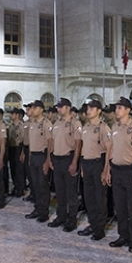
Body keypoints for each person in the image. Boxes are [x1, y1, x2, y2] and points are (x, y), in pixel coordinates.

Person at [105, 97, 132, 253]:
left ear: (128, 110)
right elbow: (111, 150)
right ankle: (123, 235)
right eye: (116, 108)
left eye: (120, 108)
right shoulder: (114, 127)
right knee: (120, 206)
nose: (117, 110)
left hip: (131, 171)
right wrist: (108, 170)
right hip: (117, 170)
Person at [77, 99, 112, 241]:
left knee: (99, 198)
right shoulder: (85, 127)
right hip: (87, 163)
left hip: (99, 163)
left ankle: (99, 229)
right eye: (87, 108)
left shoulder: (104, 128)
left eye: (92, 108)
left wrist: (106, 170)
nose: (88, 110)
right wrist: (82, 166)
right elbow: (83, 148)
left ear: (99, 111)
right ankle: (92, 224)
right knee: (89, 198)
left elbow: (110, 149)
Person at [48, 98, 82, 232]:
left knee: (71, 193)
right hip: (57, 160)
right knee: (60, 192)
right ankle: (61, 216)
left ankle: (72, 220)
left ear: (68, 108)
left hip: (68, 159)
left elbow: (78, 144)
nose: (58, 109)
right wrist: (50, 158)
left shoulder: (75, 123)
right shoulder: (56, 123)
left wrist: (74, 162)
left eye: (61, 107)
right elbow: (52, 142)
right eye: (58, 107)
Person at [24, 100, 54, 223]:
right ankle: (37, 208)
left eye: (36, 108)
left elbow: (50, 143)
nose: (33, 110)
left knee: (42, 185)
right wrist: (30, 156)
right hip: (34, 156)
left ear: (41, 109)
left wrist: (48, 160)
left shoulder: (46, 124)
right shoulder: (33, 124)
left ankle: (44, 212)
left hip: (42, 156)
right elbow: (31, 142)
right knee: (35, 184)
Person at [7, 108, 26, 198]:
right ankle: (16, 187)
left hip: (19, 148)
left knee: (19, 170)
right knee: (13, 169)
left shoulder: (21, 125)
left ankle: (20, 189)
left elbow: (24, 140)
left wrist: (22, 152)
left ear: (17, 115)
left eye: (12, 114)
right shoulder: (11, 126)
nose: (10, 116)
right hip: (11, 149)